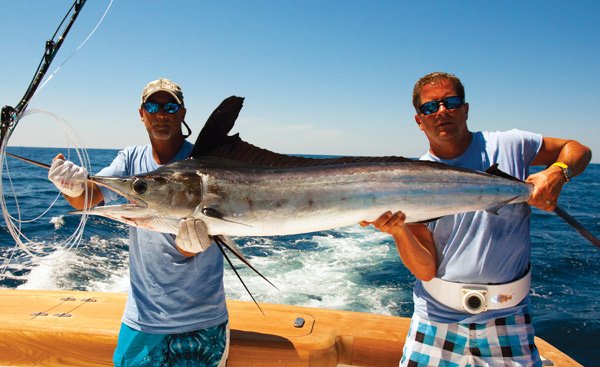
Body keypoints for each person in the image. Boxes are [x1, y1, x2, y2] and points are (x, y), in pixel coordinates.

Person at [361, 72, 592, 367]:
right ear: (419, 121)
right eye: (430, 108)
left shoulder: (511, 144)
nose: (442, 111)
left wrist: (557, 171)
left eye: (451, 102)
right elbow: (426, 268)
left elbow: (578, 150)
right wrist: (399, 232)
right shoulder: (409, 180)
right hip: (436, 319)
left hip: (507, 317)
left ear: (466, 109)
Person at [48, 78, 229, 367]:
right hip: (142, 318)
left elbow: (209, 236)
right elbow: (89, 198)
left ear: (182, 114)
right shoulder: (130, 159)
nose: (161, 114)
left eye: (169, 106)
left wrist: (191, 247)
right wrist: (73, 187)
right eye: (152, 106)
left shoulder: (203, 162)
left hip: (202, 320)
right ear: (141, 113)